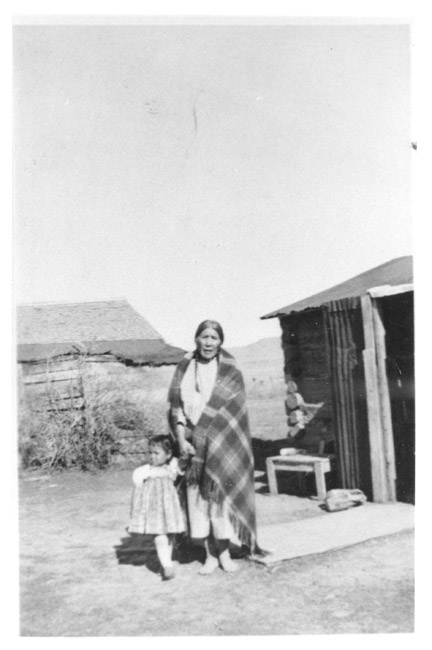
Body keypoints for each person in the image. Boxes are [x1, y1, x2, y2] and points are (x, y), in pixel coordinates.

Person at [168, 319, 259, 575]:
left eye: (214, 338)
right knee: (199, 503)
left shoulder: (230, 371)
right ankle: (209, 555)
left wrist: (217, 437)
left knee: (220, 501)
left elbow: (236, 414)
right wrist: (182, 439)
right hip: (194, 446)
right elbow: (177, 408)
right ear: (196, 339)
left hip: (223, 446)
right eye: (204, 337)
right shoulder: (184, 368)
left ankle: (225, 552)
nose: (208, 342)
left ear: (221, 342)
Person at [128, 435, 186, 581]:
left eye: (156, 453)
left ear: (168, 454)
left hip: (169, 508)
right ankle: (167, 565)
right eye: (150, 453)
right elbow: (137, 491)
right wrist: (133, 510)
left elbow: (185, 461)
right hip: (153, 509)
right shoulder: (144, 471)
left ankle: (166, 561)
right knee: (160, 536)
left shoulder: (173, 466)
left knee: (170, 535)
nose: (152, 456)